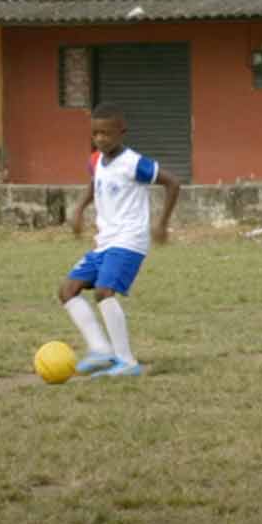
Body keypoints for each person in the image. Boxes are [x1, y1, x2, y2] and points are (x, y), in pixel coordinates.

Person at [58, 103, 180, 379]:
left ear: (122, 132)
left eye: (106, 133)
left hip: (129, 240)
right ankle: (101, 350)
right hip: (105, 241)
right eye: (95, 133)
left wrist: (161, 223)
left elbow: (173, 183)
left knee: (104, 291)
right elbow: (95, 183)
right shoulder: (95, 160)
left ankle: (126, 362)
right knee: (67, 290)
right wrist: (79, 209)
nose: (100, 139)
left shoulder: (134, 163)